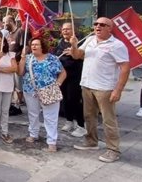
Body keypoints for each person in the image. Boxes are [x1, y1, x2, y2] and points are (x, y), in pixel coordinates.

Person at [70, 17, 130, 163]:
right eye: (96, 24)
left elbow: (125, 68)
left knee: (108, 120)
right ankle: (91, 141)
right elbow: (77, 55)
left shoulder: (117, 45)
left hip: (105, 88)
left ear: (110, 28)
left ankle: (113, 149)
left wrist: (118, 90)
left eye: (102, 25)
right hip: (87, 84)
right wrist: (73, 46)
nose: (98, 26)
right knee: (89, 116)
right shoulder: (90, 40)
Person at [17, 37, 66, 152]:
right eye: (32, 44)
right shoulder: (28, 58)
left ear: (42, 46)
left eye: (36, 44)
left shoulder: (52, 59)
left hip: (48, 91)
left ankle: (52, 141)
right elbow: (20, 72)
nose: (33, 46)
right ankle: (33, 134)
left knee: (50, 117)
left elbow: (63, 73)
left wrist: (57, 84)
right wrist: (22, 59)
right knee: (33, 114)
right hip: (31, 90)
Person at [53, 23, 87, 137]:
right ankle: (69, 121)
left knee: (75, 99)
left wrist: (73, 49)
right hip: (62, 75)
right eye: (63, 29)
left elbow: (81, 56)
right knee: (65, 99)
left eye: (68, 29)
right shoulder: (60, 42)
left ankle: (81, 125)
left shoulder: (80, 41)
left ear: (73, 30)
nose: (65, 31)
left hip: (75, 75)